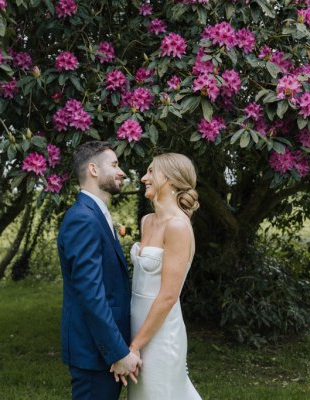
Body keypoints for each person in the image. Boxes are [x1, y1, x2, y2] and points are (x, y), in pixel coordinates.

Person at [57, 141, 142, 400]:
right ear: (93, 169)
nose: (122, 172)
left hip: (102, 348)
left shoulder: (95, 214)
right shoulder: (83, 218)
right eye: (115, 165)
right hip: (94, 352)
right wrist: (117, 352)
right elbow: (91, 294)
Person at [126, 153, 202, 400]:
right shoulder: (147, 221)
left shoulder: (178, 226)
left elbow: (169, 296)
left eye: (151, 172)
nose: (144, 178)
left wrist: (135, 346)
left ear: (169, 180)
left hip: (161, 332)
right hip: (137, 324)